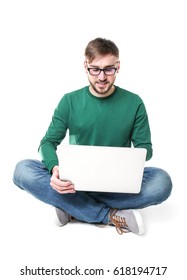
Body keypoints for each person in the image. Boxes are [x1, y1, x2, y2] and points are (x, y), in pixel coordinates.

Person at [13, 37, 172, 235]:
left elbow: (145, 150)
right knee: (22, 170)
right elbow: (47, 143)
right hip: (74, 184)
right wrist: (54, 168)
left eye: (109, 69)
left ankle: (74, 209)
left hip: (117, 183)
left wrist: (129, 159)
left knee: (162, 182)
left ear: (118, 67)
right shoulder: (69, 101)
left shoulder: (134, 102)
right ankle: (108, 215)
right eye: (95, 69)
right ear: (85, 66)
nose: (102, 77)